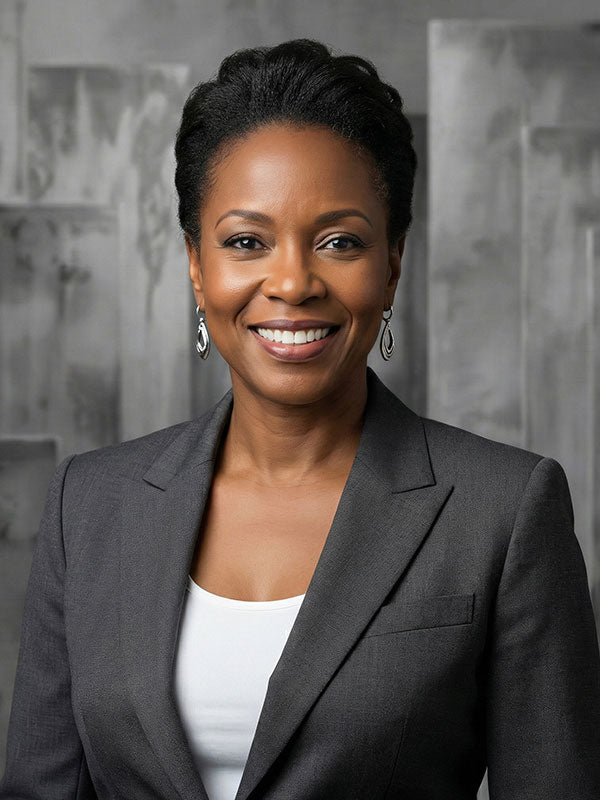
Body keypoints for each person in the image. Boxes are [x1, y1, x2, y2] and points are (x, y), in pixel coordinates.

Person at [1, 38, 599, 800]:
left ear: (392, 264)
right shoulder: (85, 506)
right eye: (246, 242)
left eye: (339, 241)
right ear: (195, 263)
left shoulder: (504, 511)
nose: (291, 281)